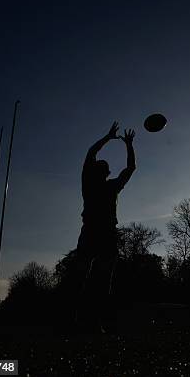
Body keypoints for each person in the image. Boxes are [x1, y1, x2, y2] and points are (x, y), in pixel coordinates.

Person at [76, 121, 136, 333]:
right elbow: (130, 168)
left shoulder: (91, 184)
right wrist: (126, 144)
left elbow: (92, 152)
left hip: (97, 231)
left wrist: (109, 139)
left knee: (94, 277)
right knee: (95, 277)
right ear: (107, 172)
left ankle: (88, 320)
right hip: (99, 231)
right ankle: (86, 319)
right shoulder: (105, 185)